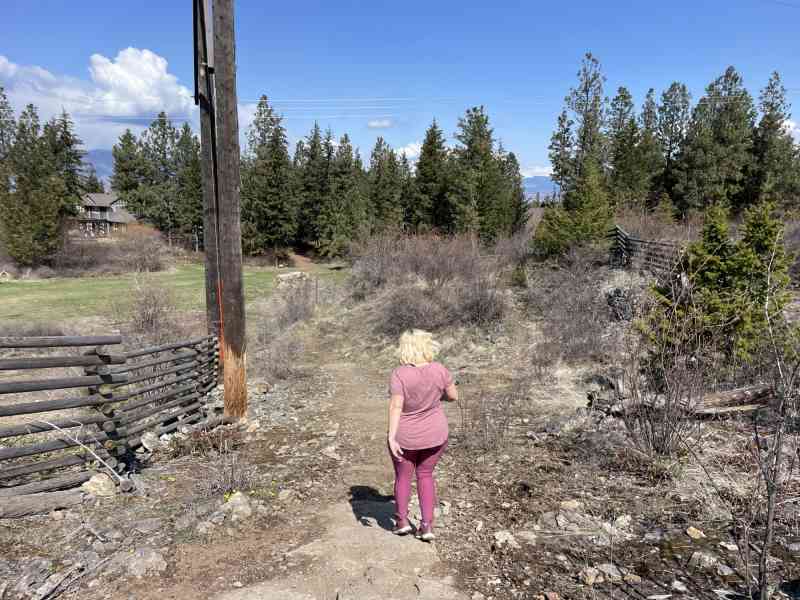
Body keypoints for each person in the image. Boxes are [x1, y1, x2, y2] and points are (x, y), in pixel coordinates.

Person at [387, 329, 458, 542]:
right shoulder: (440, 369)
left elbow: (396, 405)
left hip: (406, 437)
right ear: (428, 346)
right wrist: (437, 397)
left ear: (405, 348)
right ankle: (426, 526)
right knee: (426, 475)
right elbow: (453, 396)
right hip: (435, 434)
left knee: (403, 477)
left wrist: (391, 436)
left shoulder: (399, 374)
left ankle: (401, 522)